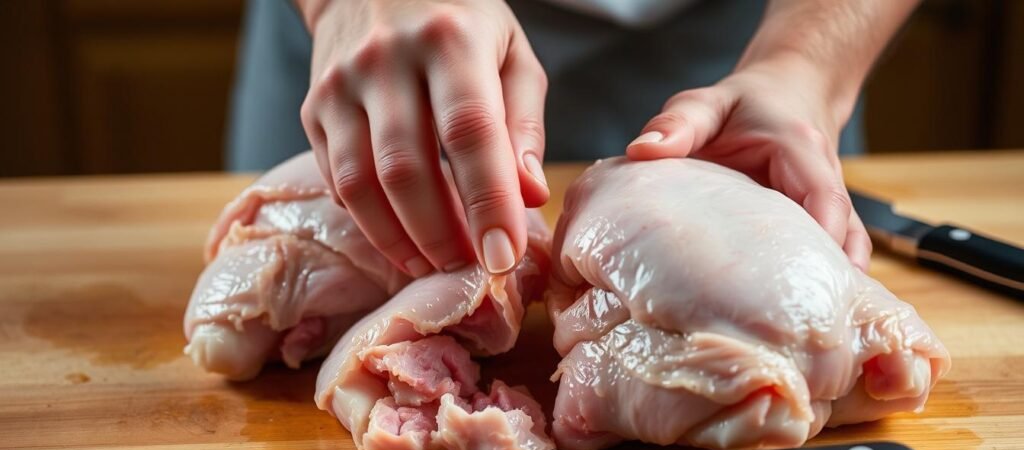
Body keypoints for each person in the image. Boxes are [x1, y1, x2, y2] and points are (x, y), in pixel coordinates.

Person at [228, 0, 919, 277]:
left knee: (781, 294)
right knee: (307, 266)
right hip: (381, 35)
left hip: (753, 31)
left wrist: (808, 65)